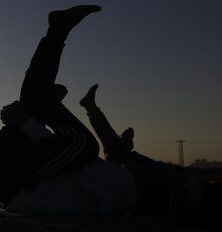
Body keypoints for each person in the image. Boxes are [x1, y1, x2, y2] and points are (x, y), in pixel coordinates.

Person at [0, 5, 137, 215]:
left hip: (7, 176)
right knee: (33, 103)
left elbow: (75, 155)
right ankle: (57, 35)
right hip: (1, 176)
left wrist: (26, 123)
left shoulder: (122, 186)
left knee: (85, 145)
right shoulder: (114, 187)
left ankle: (57, 34)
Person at [79, 84, 187, 214]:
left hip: (129, 184)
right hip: (131, 176)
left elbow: (139, 188)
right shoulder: (174, 179)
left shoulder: (174, 181)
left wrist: (127, 154)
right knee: (113, 146)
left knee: (114, 147)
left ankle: (92, 109)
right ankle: (91, 108)